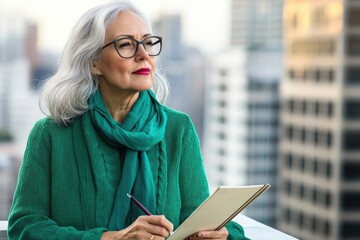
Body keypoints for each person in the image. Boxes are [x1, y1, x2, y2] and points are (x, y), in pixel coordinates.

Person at [8, 1, 248, 239]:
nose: (143, 55)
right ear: (94, 62)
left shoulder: (179, 129)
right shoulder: (50, 134)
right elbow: (25, 226)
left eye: (148, 42)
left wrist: (220, 235)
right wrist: (110, 238)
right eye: (126, 44)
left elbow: (198, 217)